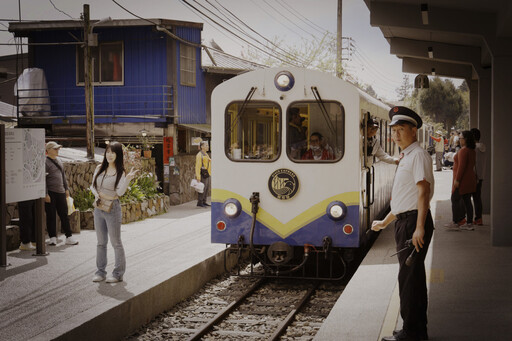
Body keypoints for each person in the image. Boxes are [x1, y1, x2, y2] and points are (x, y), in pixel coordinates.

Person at [371, 106, 434, 341]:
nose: (395, 135)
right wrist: (385, 221)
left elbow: (422, 192)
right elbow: (402, 199)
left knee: (409, 279)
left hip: (412, 224)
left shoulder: (417, 155)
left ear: (414, 130)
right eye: (393, 130)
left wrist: (419, 227)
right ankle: (414, 328)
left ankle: (412, 333)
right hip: (405, 222)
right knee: (411, 278)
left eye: (401, 130)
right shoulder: (407, 155)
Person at [90, 142, 138, 283]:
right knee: (101, 242)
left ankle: (118, 273)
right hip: (99, 208)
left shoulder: (120, 172)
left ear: (118, 155)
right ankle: (100, 272)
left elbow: (120, 192)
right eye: (108, 152)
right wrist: (97, 195)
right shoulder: (99, 168)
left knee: (116, 242)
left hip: (113, 209)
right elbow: (92, 186)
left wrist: (127, 180)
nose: (109, 155)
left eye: (113, 152)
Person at [45, 141, 78, 246]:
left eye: (58, 148)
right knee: (51, 216)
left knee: (64, 215)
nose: (57, 150)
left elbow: (63, 176)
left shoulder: (59, 160)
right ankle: (52, 237)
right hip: (50, 192)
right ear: (48, 150)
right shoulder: (45, 162)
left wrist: (66, 189)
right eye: (55, 149)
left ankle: (69, 236)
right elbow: (43, 179)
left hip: (61, 192)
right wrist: (45, 194)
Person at [444, 131, 477, 231]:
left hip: (462, 180)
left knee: (454, 199)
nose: (459, 140)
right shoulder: (472, 150)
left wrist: (457, 180)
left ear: (465, 139)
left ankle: (455, 222)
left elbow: (461, 167)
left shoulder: (463, 151)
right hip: (470, 179)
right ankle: (469, 223)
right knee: (467, 201)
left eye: (461, 138)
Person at [470, 128, 486, 225]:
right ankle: (479, 218)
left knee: (468, 199)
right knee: (477, 198)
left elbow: (474, 163)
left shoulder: (474, 148)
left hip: (474, 176)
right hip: (481, 176)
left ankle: (470, 219)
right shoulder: (483, 147)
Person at [195, 140, 211, 207]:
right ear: (202, 147)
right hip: (202, 174)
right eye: (206, 145)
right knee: (202, 188)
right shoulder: (199, 155)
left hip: (207, 173)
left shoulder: (206, 154)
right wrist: (198, 177)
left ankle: (204, 201)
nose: (208, 146)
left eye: (207, 145)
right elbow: (197, 166)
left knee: (206, 188)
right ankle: (200, 202)